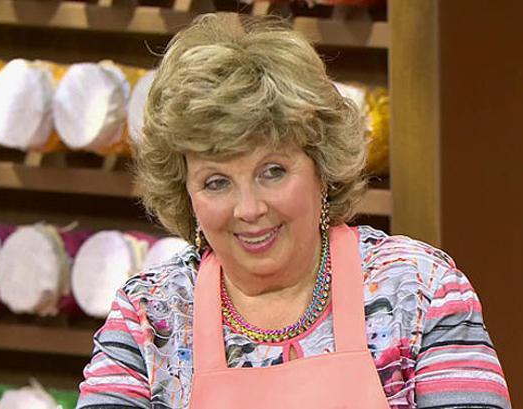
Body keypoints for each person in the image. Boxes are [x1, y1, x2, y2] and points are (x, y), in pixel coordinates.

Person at [76, 13, 511, 409]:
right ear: (184, 191)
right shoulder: (149, 317)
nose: (249, 209)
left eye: (273, 171)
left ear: (321, 167)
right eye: (216, 182)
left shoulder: (419, 290)